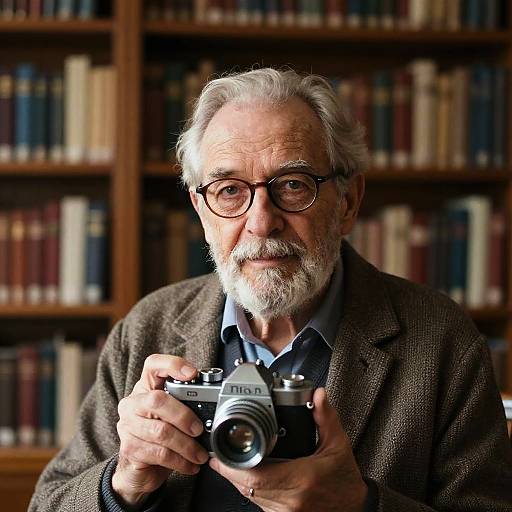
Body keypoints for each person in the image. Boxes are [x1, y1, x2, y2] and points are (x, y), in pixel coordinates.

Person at [30, 68, 512, 512]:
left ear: (347, 201)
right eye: (229, 190)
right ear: (201, 211)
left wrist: (358, 505)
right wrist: (121, 484)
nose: (261, 222)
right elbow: (49, 503)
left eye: (294, 185)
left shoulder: (441, 340)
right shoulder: (147, 328)